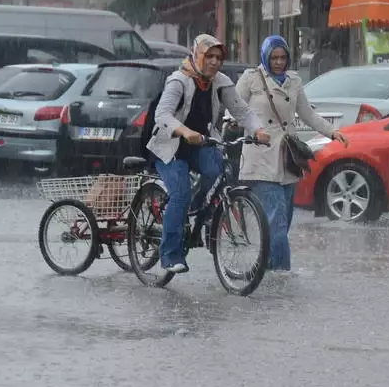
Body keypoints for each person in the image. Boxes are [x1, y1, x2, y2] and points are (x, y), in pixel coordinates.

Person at [147, 34, 268, 274]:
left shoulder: (220, 81)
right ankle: (170, 255)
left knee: (217, 171)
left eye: (218, 57)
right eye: (209, 56)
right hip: (169, 146)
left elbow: (242, 110)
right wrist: (184, 131)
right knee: (179, 193)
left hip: (201, 143)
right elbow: (162, 115)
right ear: (197, 55)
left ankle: (196, 212)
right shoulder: (178, 80)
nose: (214, 62)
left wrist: (259, 129)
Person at [236, 35, 348, 272]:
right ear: (265, 57)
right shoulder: (251, 79)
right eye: (273, 57)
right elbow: (235, 107)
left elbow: (307, 113)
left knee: (282, 222)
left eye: (282, 57)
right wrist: (244, 127)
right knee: (276, 222)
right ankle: (281, 275)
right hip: (261, 158)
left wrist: (332, 132)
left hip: (288, 159)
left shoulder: (293, 81)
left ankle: (264, 268)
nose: (278, 62)